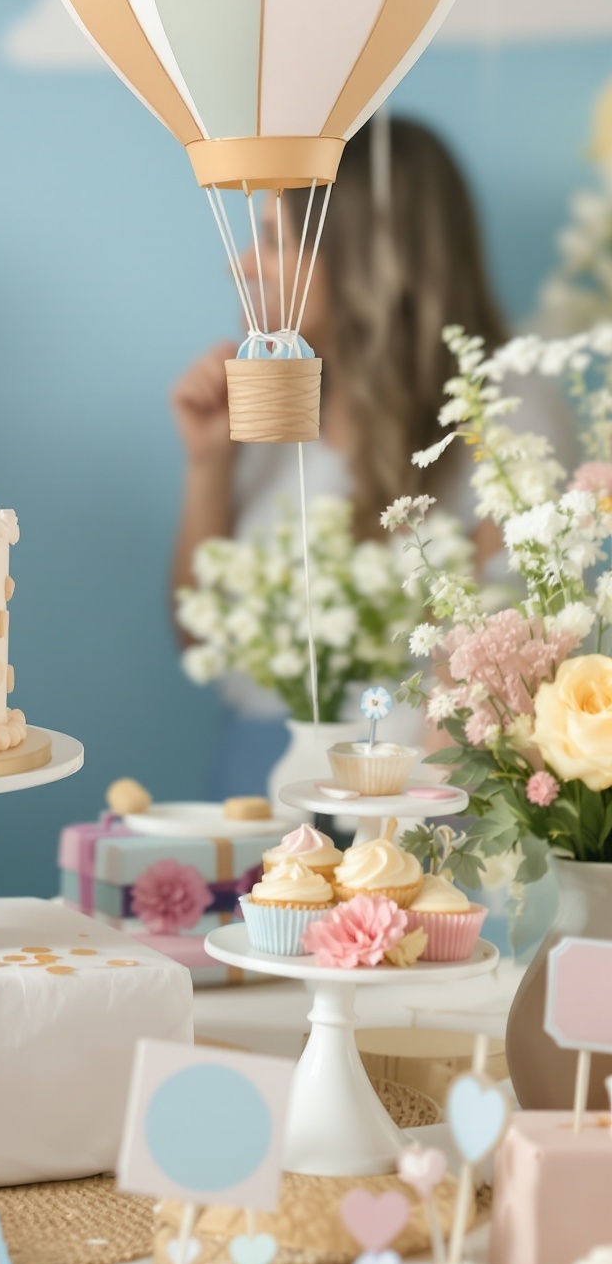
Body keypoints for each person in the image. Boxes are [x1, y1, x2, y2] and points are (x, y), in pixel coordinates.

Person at [169, 115, 557, 795]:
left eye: (272, 241)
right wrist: (209, 463)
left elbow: (504, 661)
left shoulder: (506, 410)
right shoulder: (282, 393)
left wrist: (420, 833)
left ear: (364, 255)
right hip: (256, 771)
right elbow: (199, 641)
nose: (243, 264)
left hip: (411, 784)